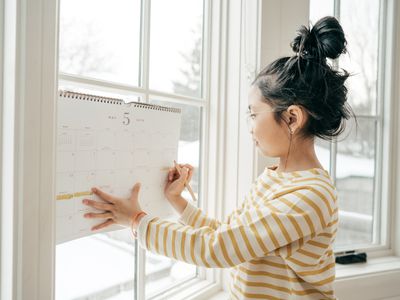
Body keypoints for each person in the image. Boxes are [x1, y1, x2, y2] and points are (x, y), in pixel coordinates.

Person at [83, 16, 355, 300]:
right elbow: (229, 235)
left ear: (291, 118)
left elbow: (217, 247)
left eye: (253, 114)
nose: (250, 125)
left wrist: (138, 220)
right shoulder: (275, 178)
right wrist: (178, 201)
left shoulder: (310, 196)